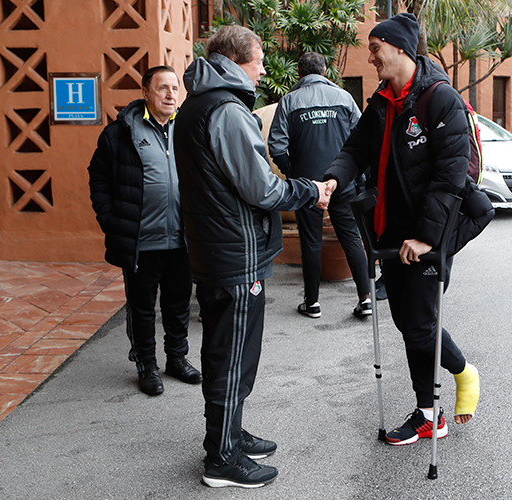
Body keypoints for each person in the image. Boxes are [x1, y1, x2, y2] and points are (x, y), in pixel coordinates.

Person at [323, 13, 493, 446]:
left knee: (419, 326)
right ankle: (429, 413)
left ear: (400, 48)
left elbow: (450, 176)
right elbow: (355, 149)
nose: (371, 58)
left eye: (375, 49)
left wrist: (427, 239)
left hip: (428, 234)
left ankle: (460, 377)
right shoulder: (382, 102)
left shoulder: (441, 100)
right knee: (408, 323)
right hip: (392, 235)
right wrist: (333, 180)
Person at [174, 26, 331, 488]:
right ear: (236, 60)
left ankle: (229, 434)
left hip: (214, 247)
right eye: (259, 61)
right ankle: (222, 458)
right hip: (235, 253)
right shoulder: (225, 109)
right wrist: (309, 190)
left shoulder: (197, 105)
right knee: (234, 355)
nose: (263, 70)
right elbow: (261, 188)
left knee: (225, 349)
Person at [88, 66, 202, 397]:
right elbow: (98, 177)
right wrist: (110, 219)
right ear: (145, 92)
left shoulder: (188, 128)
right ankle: (146, 365)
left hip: (182, 238)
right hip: (141, 240)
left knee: (178, 304)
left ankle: (177, 358)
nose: (170, 94)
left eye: (175, 88)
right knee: (141, 308)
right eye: (162, 88)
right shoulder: (121, 132)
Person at [268, 52, 373, 319]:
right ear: (325, 72)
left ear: (300, 73)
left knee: (311, 241)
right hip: (342, 182)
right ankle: (365, 298)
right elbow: (362, 140)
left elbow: (276, 146)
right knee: (351, 237)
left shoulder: (289, 101)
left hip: (307, 187)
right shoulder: (344, 98)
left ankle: (312, 302)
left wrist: (294, 174)